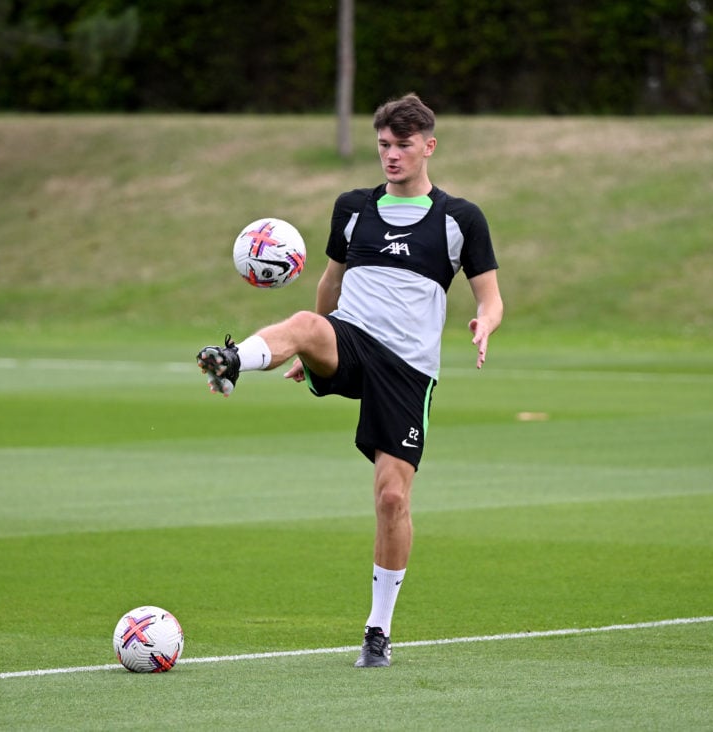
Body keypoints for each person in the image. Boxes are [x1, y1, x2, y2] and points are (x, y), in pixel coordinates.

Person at [197, 93, 503, 667]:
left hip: (409, 370)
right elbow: (327, 290)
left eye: (403, 145)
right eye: (383, 144)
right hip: (352, 340)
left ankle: (377, 632)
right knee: (310, 322)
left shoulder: (461, 218)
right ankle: (235, 361)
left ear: (428, 147)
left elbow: (490, 297)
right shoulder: (353, 208)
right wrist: (304, 347)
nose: (391, 155)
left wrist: (484, 324)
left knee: (392, 497)